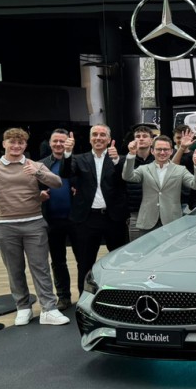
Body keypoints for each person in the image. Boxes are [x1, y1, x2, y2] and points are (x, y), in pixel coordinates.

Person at [0, 128, 70, 326]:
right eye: (12, 142)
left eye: (20, 143)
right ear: (4, 144)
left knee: (40, 268)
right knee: (15, 270)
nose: (16, 146)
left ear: (25, 146)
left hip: (34, 224)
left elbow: (58, 183)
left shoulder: (34, 165)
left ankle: (48, 309)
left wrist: (38, 174)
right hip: (4, 226)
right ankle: (23, 307)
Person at [59, 126, 130, 295]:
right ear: (90, 139)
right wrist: (67, 152)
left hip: (114, 219)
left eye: (102, 135)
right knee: (85, 262)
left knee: (120, 261)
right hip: (87, 219)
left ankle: (120, 295)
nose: (98, 138)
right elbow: (66, 173)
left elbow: (127, 179)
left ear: (109, 138)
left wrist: (116, 162)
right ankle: (85, 298)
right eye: (95, 135)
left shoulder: (118, 159)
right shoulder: (79, 159)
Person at [123, 135, 196, 232]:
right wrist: (131, 155)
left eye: (166, 149)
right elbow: (127, 176)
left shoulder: (180, 169)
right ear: (152, 151)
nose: (162, 152)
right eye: (159, 149)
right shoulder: (144, 169)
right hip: (148, 221)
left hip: (172, 221)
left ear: (171, 151)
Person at [38, 128, 75, 310]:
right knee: (58, 261)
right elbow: (31, 189)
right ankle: (64, 297)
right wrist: (39, 194)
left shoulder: (78, 162)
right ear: (50, 143)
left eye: (63, 141)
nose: (59, 144)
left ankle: (85, 295)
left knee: (83, 259)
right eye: (56, 141)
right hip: (52, 220)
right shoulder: (41, 165)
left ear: (69, 143)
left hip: (77, 219)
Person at [124, 125, 156, 242]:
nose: (141, 139)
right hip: (135, 213)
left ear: (151, 140)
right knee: (136, 251)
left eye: (145, 136)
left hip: (157, 213)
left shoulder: (158, 160)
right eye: (137, 136)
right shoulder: (126, 160)